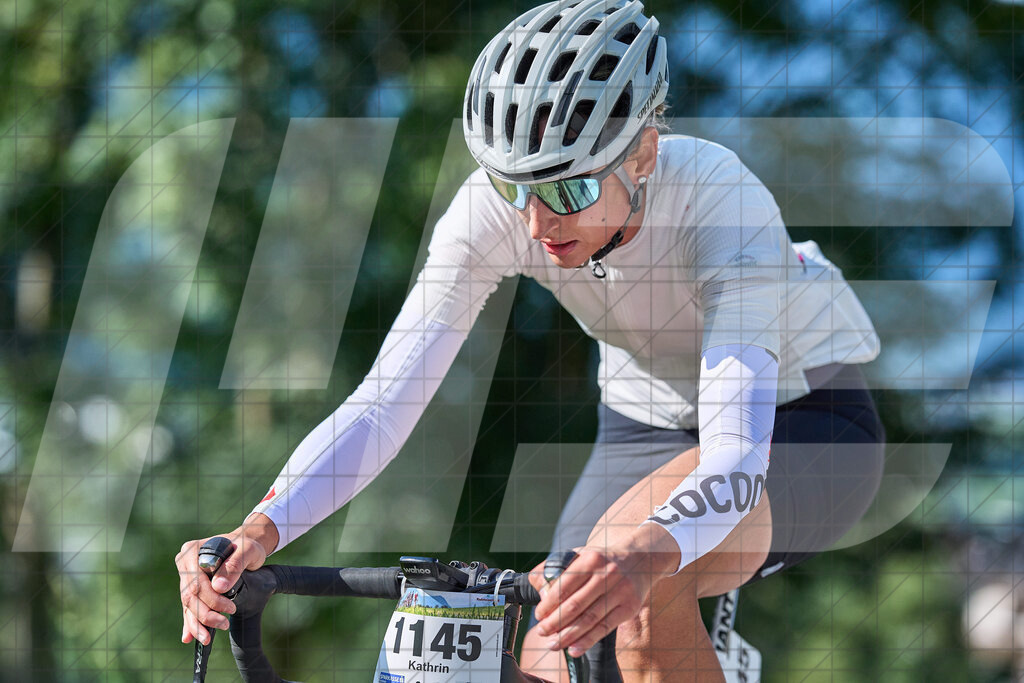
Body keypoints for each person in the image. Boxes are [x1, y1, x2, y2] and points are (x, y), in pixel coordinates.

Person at [176, 0, 886, 680]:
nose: (539, 223)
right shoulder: (492, 212)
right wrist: (259, 530)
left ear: (642, 155)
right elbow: (384, 402)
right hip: (644, 421)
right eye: (515, 188)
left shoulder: (721, 202)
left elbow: (734, 459)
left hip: (802, 417)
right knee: (556, 645)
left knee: (637, 590)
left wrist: (644, 556)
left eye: (570, 191)